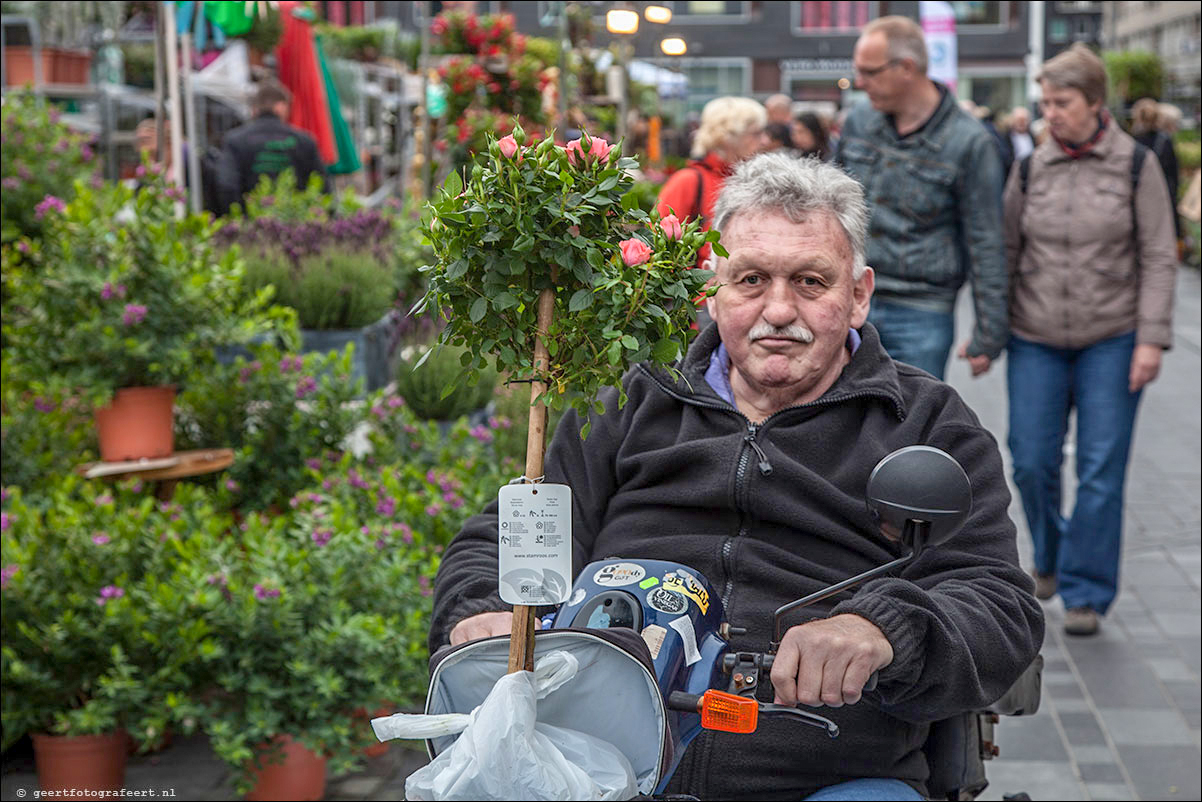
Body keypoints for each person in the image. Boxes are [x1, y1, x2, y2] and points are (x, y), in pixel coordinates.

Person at [431, 153, 1044, 800]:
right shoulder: (637, 395)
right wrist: (488, 607)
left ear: (858, 295)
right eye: (751, 279)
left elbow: (998, 605)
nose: (778, 310)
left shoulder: (925, 423)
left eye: (811, 282)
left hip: (826, 770)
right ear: (712, 289)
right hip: (598, 762)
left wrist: (883, 630)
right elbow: (510, 531)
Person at [1003, 44, 1177, 637]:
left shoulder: (1136, 165)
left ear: (1095, 103)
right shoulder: (1030, 167)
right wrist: (990, 331)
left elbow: (1159, 255)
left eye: (1062, 102)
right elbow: (1005, 250)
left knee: (1102, 468)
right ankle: (1049, 556)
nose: (1050, 113)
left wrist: (1151, 339)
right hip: (1035, 336)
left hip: (1114, 337)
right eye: (1045, 102)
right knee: (1029, 460)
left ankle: (1084, 591)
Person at [835, 16, 1007, 381]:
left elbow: (986, 240)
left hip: (921, 309)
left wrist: (989, 333)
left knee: (908, 423)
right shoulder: (859, 121)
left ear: (907, 68)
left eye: (870, 72)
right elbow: (831, 205)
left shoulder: (969, 142)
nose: (860, 83)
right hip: (851, 296)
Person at [214, 79, 327, 215]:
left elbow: (227, 185)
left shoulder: (234, 140)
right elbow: (323, 186)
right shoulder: (304, 141)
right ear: (281, 106)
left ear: (254, 109)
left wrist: (238, 218)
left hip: (251, 225)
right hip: (297, 224)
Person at [1131, 98, 1181, 243]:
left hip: (1138, 195)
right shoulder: (1164, 140)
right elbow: (1174, 172)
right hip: (1163, 194)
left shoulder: (1132, 141)